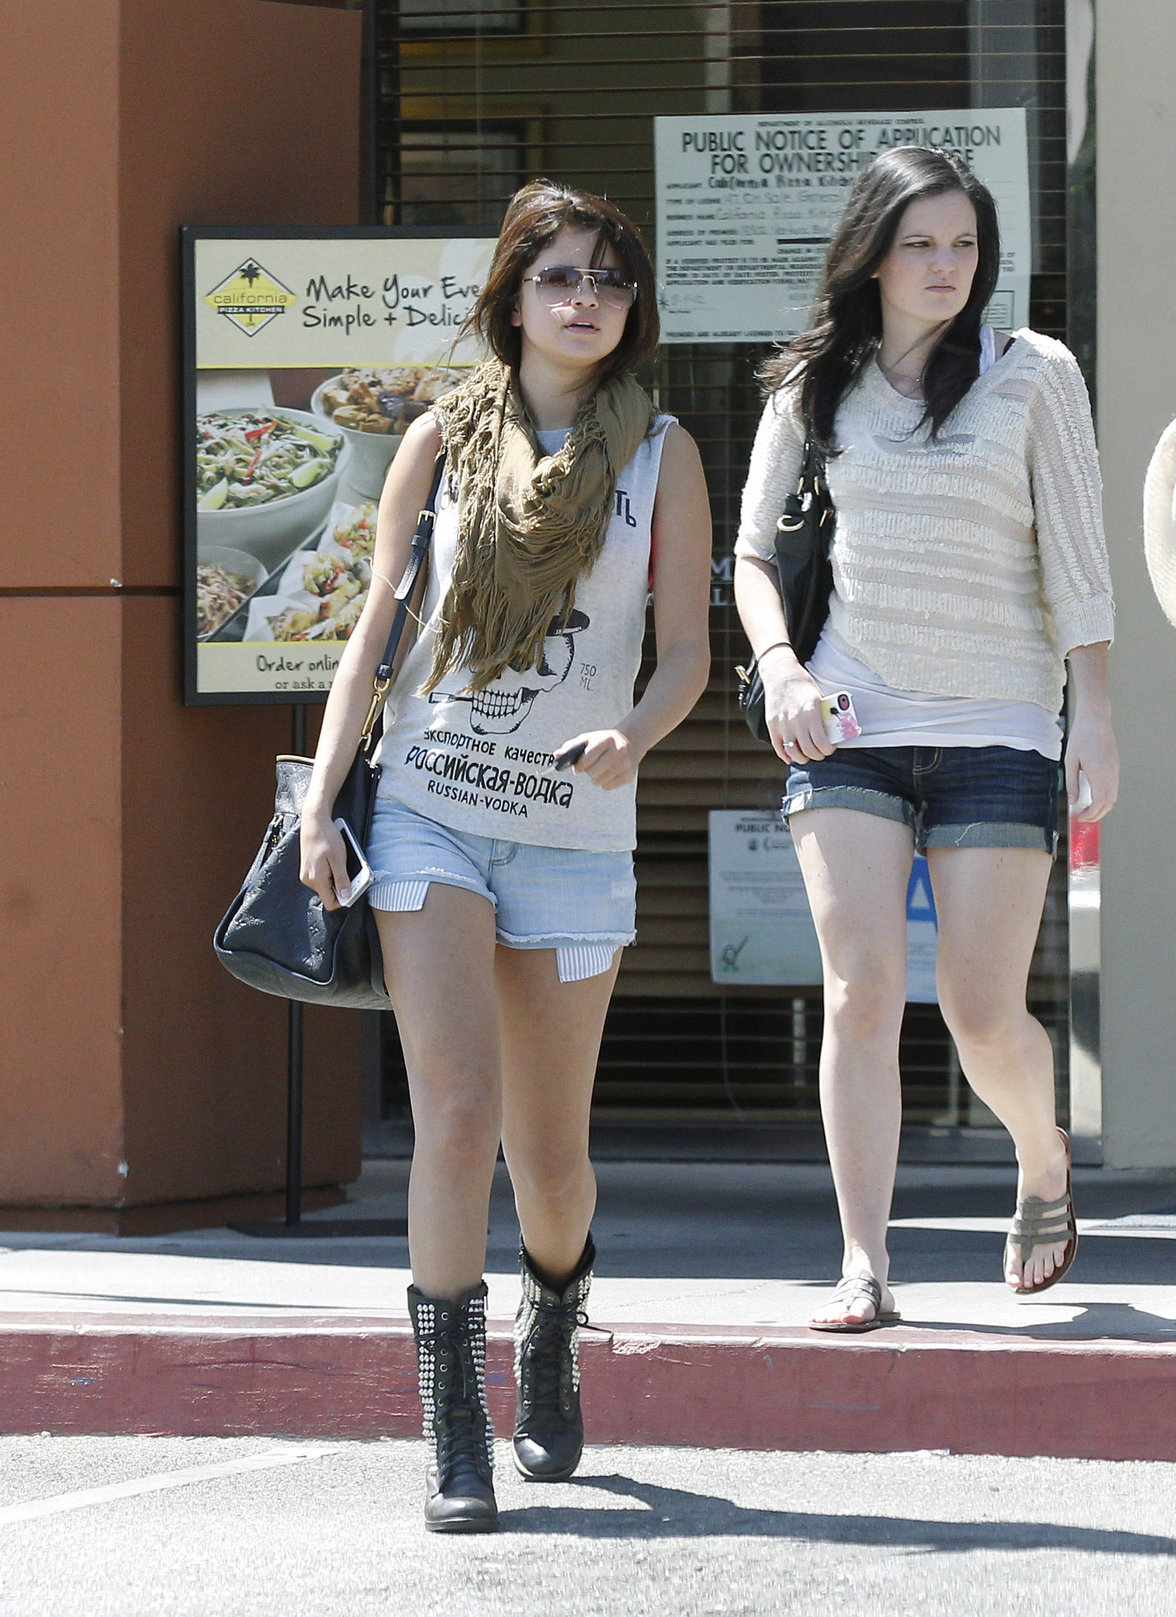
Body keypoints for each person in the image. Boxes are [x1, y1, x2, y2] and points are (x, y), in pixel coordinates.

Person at [299, 180, 711, 1528]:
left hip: (576, 825)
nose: (584, 298)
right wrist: (324, 799)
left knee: (549, 1157)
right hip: (430, 803)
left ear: (631, 307)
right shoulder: (434, 439)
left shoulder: (665, 459)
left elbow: (689, 650)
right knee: (456, 1116)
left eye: (606, 278)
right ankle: (453, 1423)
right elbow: (376, 626)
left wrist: (634, 736)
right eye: (558, 277)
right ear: (513, 298)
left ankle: (553, 1316)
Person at [734, 146, 1117, 1332]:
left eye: (963, 245)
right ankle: (863, 1261)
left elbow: (1079, 561)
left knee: (978, 1010)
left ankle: (1040, 1157)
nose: (945, 266)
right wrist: (784, 668)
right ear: (871, 254)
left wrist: (1093, 712)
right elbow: (752, 557)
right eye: (920, 244)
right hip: (848, 720)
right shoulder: (812, 387)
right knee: (859, 990)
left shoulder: (1033, 373)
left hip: (1002, 723)